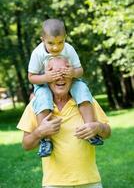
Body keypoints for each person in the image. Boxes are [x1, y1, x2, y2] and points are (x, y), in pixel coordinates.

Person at [17, 57, 111, 188]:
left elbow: (107, 132)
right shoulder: (37, 105)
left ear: (72, 76)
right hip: (54, 183)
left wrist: (98, 127)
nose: (60, 78)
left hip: (90, 181)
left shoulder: (86, 101)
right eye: (55, 74)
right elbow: (26, 145)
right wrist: (39, 132)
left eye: (64, 73)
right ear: (46, 78)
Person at [28, 18, 103, 157]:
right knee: (43, 99)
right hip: (44, 83)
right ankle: (45, 140)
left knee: (82, 90)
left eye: (60, 42)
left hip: (70, 79)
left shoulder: (69, 49)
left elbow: (80, 70)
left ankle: (90, 129)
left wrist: (73, 72)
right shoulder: (37, 53)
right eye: (51, 43)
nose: (56, 48)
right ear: (42, 39)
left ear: (65, 38)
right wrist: (46, 77)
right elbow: (31, 77)